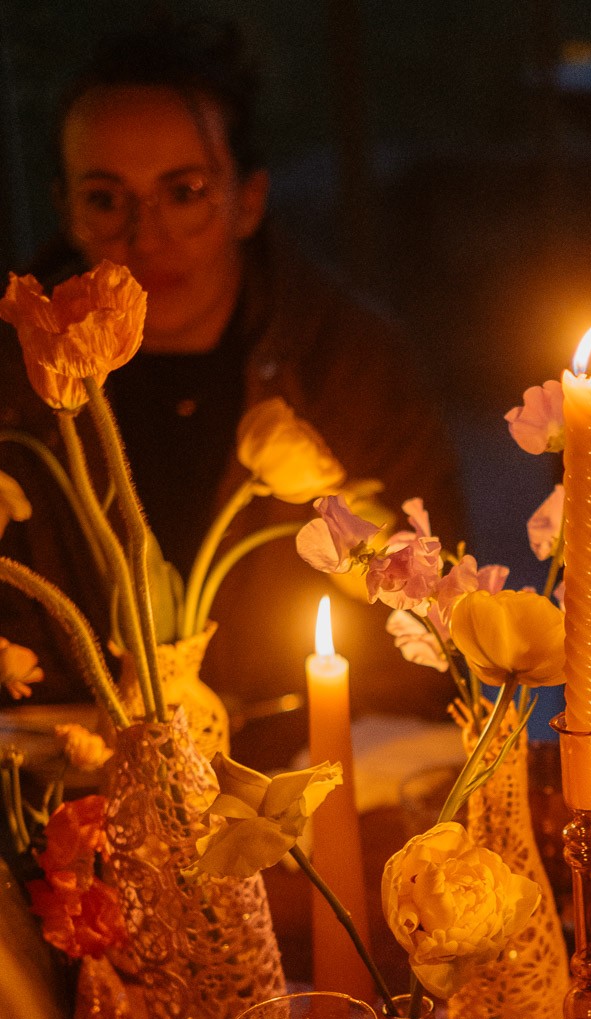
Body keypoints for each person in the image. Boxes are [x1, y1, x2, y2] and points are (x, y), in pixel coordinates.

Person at [0, 16, 463, 745]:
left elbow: (428, 636)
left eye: (184, 193)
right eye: (105, 197)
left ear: (248, 201)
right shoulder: (17, 374)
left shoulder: (351, 362)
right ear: (66, 208)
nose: (145, 237)